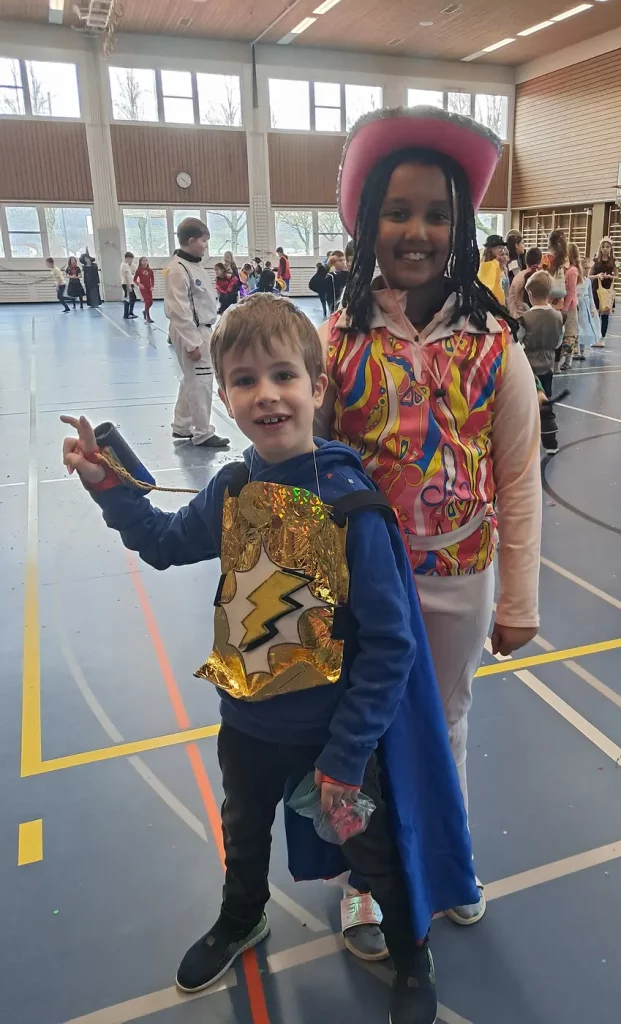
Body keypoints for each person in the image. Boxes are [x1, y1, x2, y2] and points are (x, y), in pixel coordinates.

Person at [60, 294, 478, 1024]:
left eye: (284, 375)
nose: (266, 394)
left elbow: (391, 645)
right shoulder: (233, 488)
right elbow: (162, 542)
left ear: (317, 387)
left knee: (374, 854)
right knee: (244, 830)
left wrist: (347, 753)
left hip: (333, 737)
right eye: (245, 380)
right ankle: (241, 916)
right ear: (224, 398)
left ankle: (411, 950)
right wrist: (107, 480)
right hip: (248, 722)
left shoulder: (350, 506)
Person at [318, 106, 541, 956]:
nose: (417, 231)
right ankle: (363, 880)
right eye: (398, 211)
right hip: (364, 579)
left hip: (461, 575)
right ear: (367, 220)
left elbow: (518, 477)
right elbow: (303, 464)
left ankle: (448, 861)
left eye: (437, 215)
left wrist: (518, 598)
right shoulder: (337, 340)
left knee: (447, 721)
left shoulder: (496, 344)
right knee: (361, 728)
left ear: (463, 229)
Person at [164, 216, 229, 448]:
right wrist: (192, 342)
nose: (205, 246)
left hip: (203, 329)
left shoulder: (194, 265)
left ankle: (182, 425)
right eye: (203, 241)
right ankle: (202, 432)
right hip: (192, 331)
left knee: (192, 378)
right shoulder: (177, 270)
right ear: (191, 240)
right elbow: (179, 310)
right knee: (201, 381)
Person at [516, 270, 562, 454]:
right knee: (546, 404)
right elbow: (558, 342)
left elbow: (517, 342)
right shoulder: (558, 316)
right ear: (549, 293)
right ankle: (551, 442)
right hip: (548, 366)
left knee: (526, 405)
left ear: (529, 294)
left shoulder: (525, 319)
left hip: (529, 368)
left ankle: (526, 442)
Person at [588, 237, 616, 345]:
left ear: (610, 248)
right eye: (603, 247)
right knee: (595, 315)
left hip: (607, 290)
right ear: (600, 248)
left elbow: (617, 275)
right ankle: (595, 337)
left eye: (607, 247)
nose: (605, 249)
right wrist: (598, 276)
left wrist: (610, 276)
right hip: (596, 290)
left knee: (605, 315)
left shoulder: (613, 262)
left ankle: (602, 338)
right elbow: (589, 275)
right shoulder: (595, 261)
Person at [560, 241, 581, 370]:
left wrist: (565, 308)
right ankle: (566, 360)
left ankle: (568, 361)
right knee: (567, 334)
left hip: (570, 306)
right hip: (567, 304)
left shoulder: (572, 271)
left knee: (570, 334)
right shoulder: (567, 269)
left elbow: (571, 291)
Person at [508, 246, 542, 318]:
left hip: (519, 316)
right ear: (540, 261)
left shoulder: (518, 277)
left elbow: (511, 299)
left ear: (525, 261)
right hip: (537, 317)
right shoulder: (542, 277)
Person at [576, 254, 599, 354]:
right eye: (585, 268)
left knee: (584, 329)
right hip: (577, 305)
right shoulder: (575, 280)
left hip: (585, 307)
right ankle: (575, 348)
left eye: (588, 268)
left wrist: (592, 308)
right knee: (577, 328)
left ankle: (582, 350)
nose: (587, 270)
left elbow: (590, 296)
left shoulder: (588, 281)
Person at [477, 234, 508, 305]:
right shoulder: (486, 266)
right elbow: (489, 288)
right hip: (493, 304)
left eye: (503, 247)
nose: (502, 250)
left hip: (502, 304)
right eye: (499, 248)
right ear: (491, 249)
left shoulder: (500, 266)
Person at [133, 257, 155, 323]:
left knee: (151, 302)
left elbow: (152, 279)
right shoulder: (139, 270)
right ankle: (148, 317)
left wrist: (152, 286)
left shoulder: (150, 270)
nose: (145, 262)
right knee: (147, 301)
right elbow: (134, 279)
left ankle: (145, 311)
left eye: (146, 261)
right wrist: (139, 284)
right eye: (143, 261)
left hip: (149, 287)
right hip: (143, 288)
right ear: (140, 262)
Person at [120, 252, 138, 319]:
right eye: (131, 259)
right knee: (128, 298)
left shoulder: (125, 265)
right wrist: (129, 285)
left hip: (129, 283)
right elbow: (126, 276)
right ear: (128, 258)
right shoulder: (124, 265)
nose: (131, 261)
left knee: (132, 298)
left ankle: (130, 312)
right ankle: (126, 314)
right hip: (127, 284)